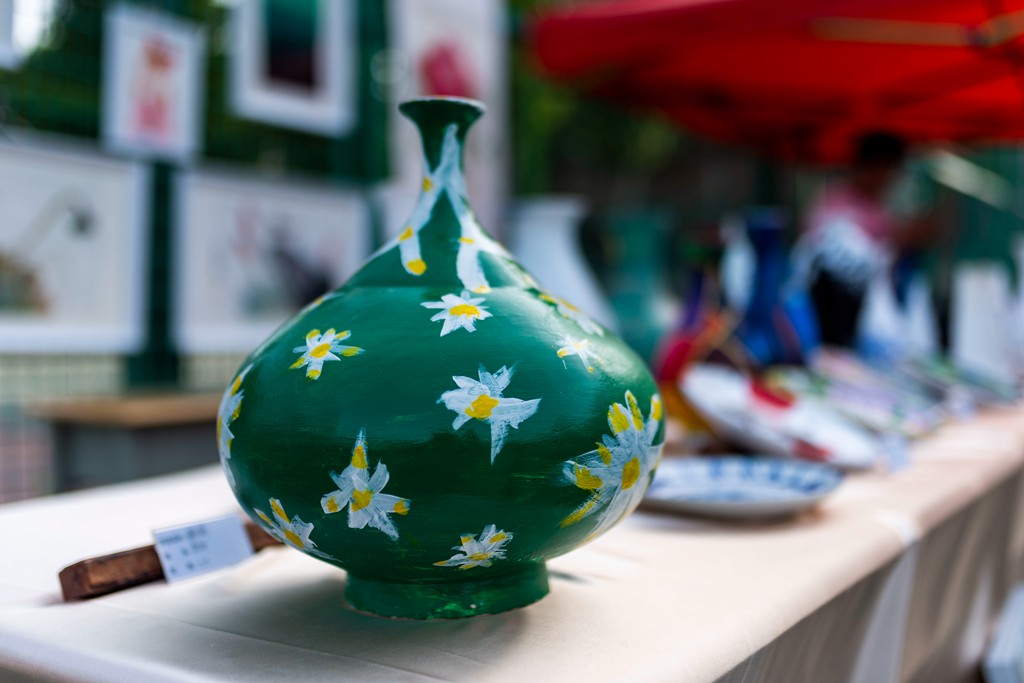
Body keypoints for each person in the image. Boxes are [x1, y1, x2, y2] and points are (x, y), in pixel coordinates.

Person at [801, 132, 928, 347]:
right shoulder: (837, 205)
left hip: (863, 326)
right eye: (885, 170)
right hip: (827, 322)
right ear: (870, 167)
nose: (889, 180)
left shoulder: (878, 211)